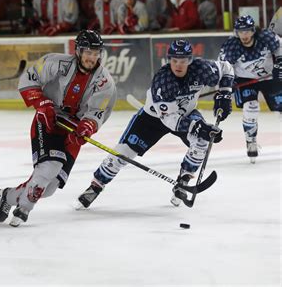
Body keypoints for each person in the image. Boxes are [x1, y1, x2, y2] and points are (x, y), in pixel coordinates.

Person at [75, 39, 234, 209]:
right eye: (174, 61)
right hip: (152, 119)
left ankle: (184, 181)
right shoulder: (163, 82)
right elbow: (170, 120)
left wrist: (224, 94)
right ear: (169, 60)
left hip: (186, 113)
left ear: (190, 60)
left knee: (202, 140)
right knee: (122, 153)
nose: (178, 65)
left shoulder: (201, 69)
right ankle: (96, 186)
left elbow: (226, 68)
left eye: (182, 61)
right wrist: (198, 127)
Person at [0, 30, 117, 227]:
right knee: (49, 167)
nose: (91, 58)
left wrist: (87, 127)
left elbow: (99, 111)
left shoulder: (104, 82)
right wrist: (41, 104)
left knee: (50, 187)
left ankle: (7, 196)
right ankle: (23, 209)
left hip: (73, 130)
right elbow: (29, 78)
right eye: (87, 52)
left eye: (95, 53)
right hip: (49, 119)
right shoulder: (56, 63)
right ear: (78, 51)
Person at [218, 15, 282, 163]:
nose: (244, 35)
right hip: (244, 80)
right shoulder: (231, 46)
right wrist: (228, 83)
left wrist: (279, 63)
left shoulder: (266, 37)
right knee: (251, 107)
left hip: (268, 77)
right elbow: (223, 67)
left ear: (253, 30)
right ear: (236, 32)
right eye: (241, 32)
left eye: (247, 31)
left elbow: (280, 46)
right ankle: (251, 140)